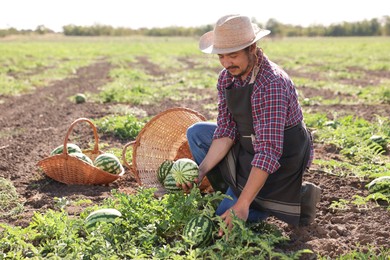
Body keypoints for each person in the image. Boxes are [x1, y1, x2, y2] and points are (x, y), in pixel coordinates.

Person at [182, 14, 321, 231]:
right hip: (250, 144)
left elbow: (269, 152)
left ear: (252, 48)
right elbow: (226, 130)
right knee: (197, 133)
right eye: (221, 57)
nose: (227, 63)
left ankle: (296, 199)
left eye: (233, 55)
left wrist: (242, 204)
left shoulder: (271, 83)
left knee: (224, 217)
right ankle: (235, 189)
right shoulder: (226, 77)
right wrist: (201, 171)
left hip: (283, 157)